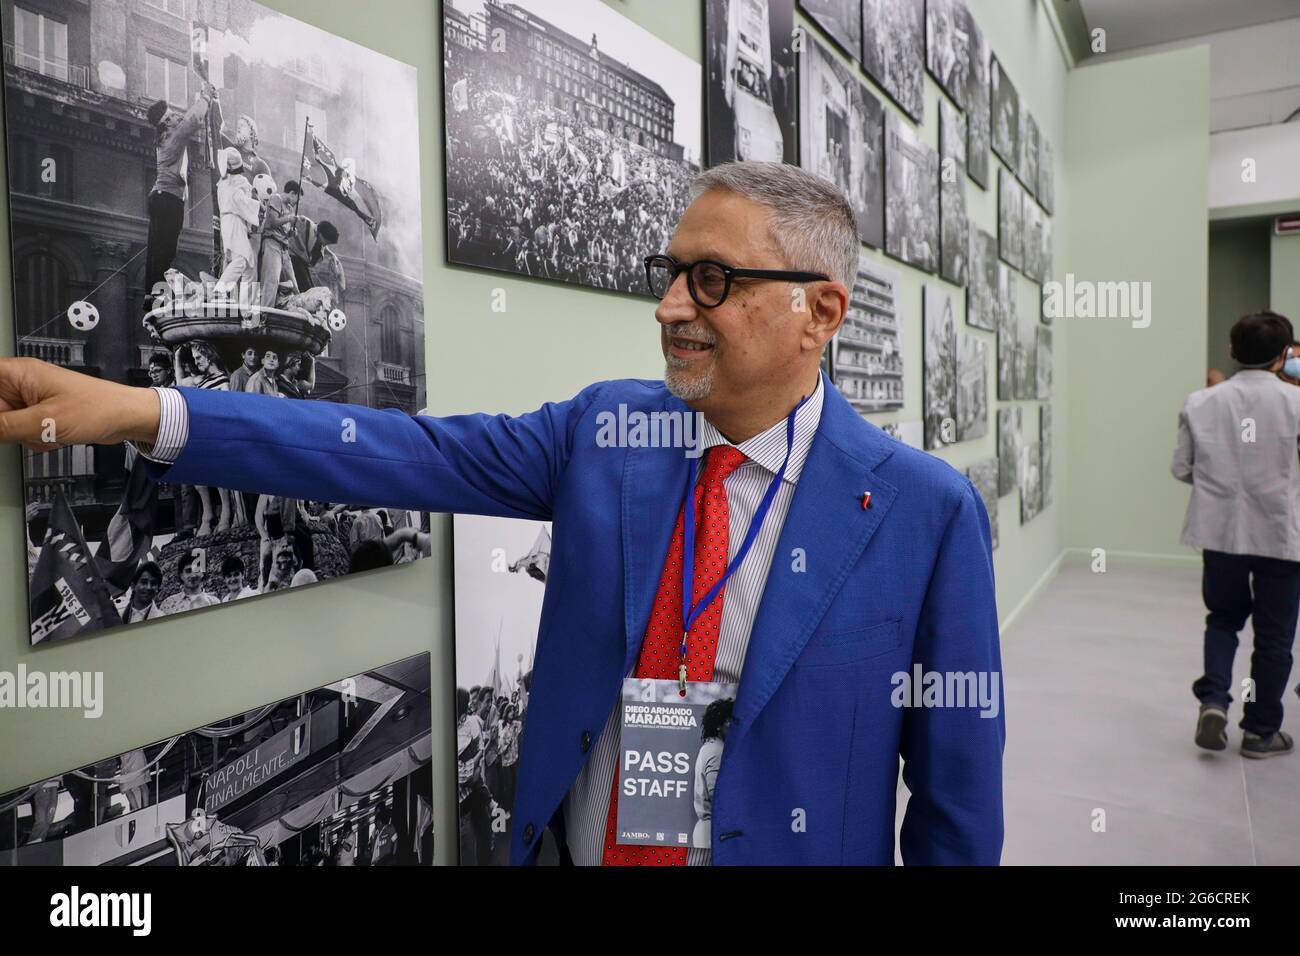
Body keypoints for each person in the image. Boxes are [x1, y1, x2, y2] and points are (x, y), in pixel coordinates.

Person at [0, 161, 1004, 865]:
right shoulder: (605, 432)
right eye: (669, 275)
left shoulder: (922, 512)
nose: (668, 308)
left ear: (818, 313)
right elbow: (396, 451)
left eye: (713, 280)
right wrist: (143, 411)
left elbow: (957, 809)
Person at [1173, 311, 1300, 758]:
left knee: (1223, 619)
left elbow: (1181, 468)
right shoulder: (1297, 403)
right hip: (1282, 538)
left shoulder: (1199, 402)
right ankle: (1261, 730)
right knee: (1274, 637)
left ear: (1231, 350)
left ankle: (1213, 701)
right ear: (1285, 355)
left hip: (1220, 532)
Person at [144, 85, 215, 308]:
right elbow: (192, 120)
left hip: (160, 196)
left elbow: (188, 119)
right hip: (169, 199)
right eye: (172, 115)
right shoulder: (173, 137)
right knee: (165, 249)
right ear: (166, 124)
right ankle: (158, 295)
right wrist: (206, 97)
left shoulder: (164, 139)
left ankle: (152, 296)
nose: (177, 116)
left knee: (156, 249)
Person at [215, 147, 263, 300]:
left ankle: (245, 304)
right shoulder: (231, 184)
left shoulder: (227, 181)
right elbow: (239, 201)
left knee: (249, 265)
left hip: (233, 222)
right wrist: (257, 206)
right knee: (241, 260)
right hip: (233, 221)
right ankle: (219, 291)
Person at [692, 697, 733, 848]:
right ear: (718, 725)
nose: (734, 726)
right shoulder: (717, 751)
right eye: (730, 721)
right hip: (713, 829)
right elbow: (717, 795)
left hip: (706, 828)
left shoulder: (709, 747)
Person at [257, 181, 304, 309]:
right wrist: (289, 219)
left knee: (294, 284)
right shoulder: (275, 198)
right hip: (272, 243)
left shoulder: (290, 209)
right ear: (292, 193)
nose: (296, 202)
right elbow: (272, 222)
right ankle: (265, 314)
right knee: (271, 281)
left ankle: (298, 309)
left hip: (284, 248)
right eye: (297, 199)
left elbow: (284, 230)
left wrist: (291, 233)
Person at [157, 549, 220, 616]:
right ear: (181, 575)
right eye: (188, 571)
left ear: (203, 573)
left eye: (197, 570)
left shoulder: (214, 602)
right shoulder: (168, 604)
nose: (193, 575)